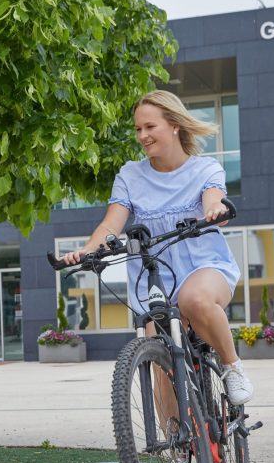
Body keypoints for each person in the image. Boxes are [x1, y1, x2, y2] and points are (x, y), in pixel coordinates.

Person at [60, 90, 253, 406]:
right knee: (159, 356)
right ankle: (177, 445)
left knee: (194, 299)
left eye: (150, 127)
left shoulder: (205, 169)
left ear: (174, 125)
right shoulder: (130, 175)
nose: (142, 136)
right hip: (156, 278)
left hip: (204, 266)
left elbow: (213, 199)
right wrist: (87, 250)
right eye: (138, 129)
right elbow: (112, 224)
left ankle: (233, 366)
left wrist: (215, 212)